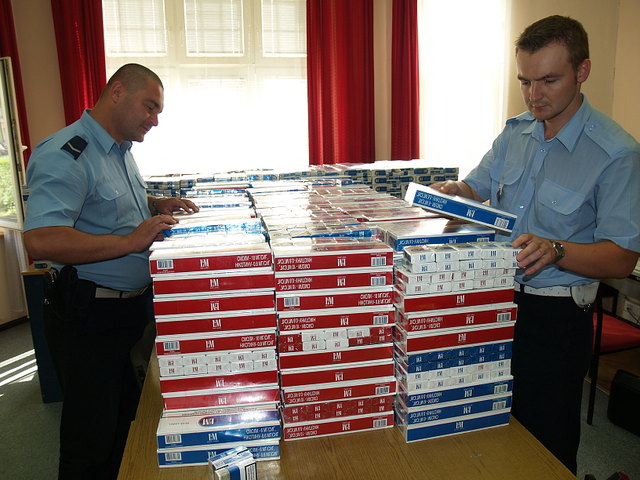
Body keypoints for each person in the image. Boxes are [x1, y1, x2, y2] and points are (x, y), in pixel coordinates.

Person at [432, 15, 639, 474]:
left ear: (582, 71)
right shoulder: (516, 131)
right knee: (487, 426)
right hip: (496, 298)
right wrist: (455, 193)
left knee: (546, 440)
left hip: (556, 317)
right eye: (525, 81)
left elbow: (623, 258)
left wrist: (558, 250)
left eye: (549, 80)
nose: (533, 95)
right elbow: (476, 187)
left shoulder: (617, 154)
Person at [23, 63, 199, 479]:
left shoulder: (120, 150)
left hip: (124, 314)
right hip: (88, 317)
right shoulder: (67, 153)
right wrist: (130, 243)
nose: (154, 120)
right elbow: (41, 240)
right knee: (90, 439)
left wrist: (155, 203)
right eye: (149, 107)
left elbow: (110, 204)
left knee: (122, 425)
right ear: (117, 92)